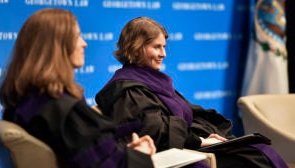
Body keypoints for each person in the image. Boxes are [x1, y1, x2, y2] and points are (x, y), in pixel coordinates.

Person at [95, 16, 288, 168]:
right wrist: (199, 141)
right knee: (253, 159)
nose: (164, 54)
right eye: (156, 47)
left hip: (187, 143)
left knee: (258, 149)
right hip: (170, 153)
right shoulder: (127, 89)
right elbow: (155, 132)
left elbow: (182, 117)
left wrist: (207, 136)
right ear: (135, 48)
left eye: (164, 46)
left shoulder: (151, 79)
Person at [0, 8, 156, 168]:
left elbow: (86, 157)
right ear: (56, 47)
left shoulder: (27, 101)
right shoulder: (62, 110)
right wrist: (140, 154)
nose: (84, 43)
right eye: (76, 37)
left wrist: (125, 152)